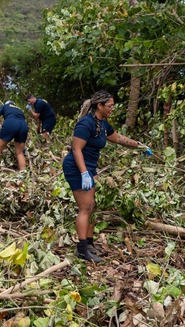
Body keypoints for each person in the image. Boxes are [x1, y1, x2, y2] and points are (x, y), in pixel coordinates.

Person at [63, 91, 152, 263]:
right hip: (76, 166)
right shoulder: (85, 123)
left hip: (89, 167)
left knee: (92, 206)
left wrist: (139, 145)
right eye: (110, 106)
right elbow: (76, 149)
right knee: (85, 207)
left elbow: (117, 137)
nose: (112, 109)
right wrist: (84, 173)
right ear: (99, 106)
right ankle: (81, 250)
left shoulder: (102, 124)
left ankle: (89, 244)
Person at [0, 100, 28, 170]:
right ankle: (24, 173)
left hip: (10, 123)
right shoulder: (19, 110)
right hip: (24, 126)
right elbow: (21, 122)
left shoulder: (4, 106)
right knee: (20, 153)